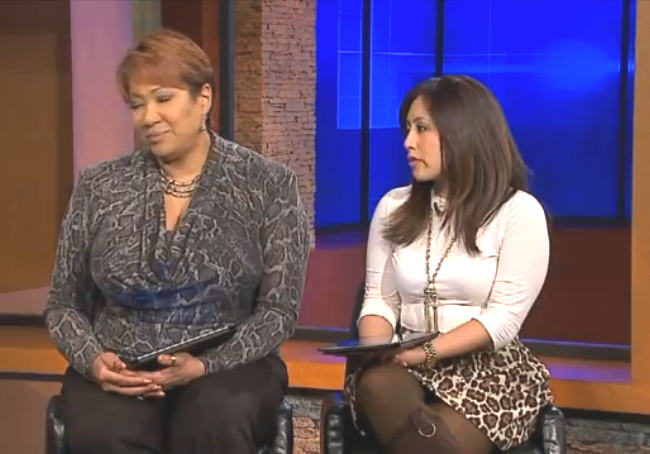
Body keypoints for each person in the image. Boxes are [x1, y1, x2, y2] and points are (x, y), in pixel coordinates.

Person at [44, 29, 310, 454]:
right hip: (121, 365)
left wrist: (206, 365)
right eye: (136, 104)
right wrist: (93, 360)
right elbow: (63, 303)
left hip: (230, 365)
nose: (147, 117)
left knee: (214, 422)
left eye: (163, 98)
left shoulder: (268, 183)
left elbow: (279, 311)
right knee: (103, 434)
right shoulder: (99, 186)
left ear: (203, 98)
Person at [346, 75, 553, 453]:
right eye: (408, 129)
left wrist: (426, 352)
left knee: (429, 439)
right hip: (404, 360)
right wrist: (374, 350)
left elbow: (503, 318)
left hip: (487, 369)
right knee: (376, 384)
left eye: (422, 128)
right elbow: (380, 299)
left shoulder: (518, 212)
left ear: (463, 133)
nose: (408, 142)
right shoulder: (393, 206)